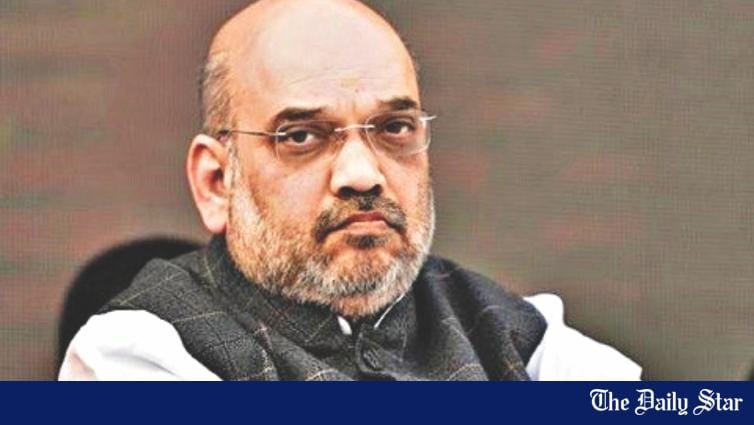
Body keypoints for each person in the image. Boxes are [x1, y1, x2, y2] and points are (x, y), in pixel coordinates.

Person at [59, 0, 641, 381]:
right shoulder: (137, 352)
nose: (362, 174)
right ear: (217, 181)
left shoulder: (518, 333)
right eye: (302, 136)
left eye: (394, 128)